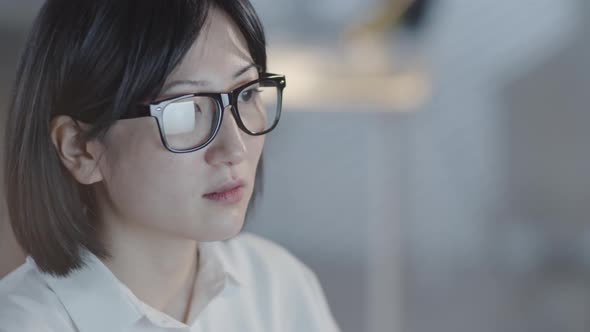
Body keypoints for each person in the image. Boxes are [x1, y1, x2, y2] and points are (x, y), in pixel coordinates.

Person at [0, 1, 341, 331]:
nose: (234, 147)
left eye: (246, 94)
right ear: (79, 149)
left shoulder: (275, 287)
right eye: (184, 110)